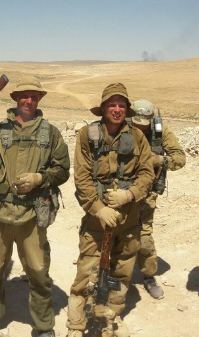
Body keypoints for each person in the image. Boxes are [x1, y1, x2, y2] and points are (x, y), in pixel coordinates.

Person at [0, 76, 70, 337]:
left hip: (31, 214)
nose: (29, 100)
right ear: (16, 98)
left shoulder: (50, 133)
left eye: (34, 96)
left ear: (39, 99)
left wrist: (39, 178)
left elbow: (62, 170)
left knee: (38, 273)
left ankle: (43, 325)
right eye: (24, 96)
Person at [66, 83, 154, 337]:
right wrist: (98, 209)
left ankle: (110, 318)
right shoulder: (87, 134)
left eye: (121, 105)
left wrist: (130, 194)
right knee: (87, 271)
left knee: (122, 270)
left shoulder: (137, 137)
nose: (117, 109)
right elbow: (82, 177)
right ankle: (76, 324)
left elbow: (147, 174)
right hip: (97, 219)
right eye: (112, 105)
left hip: (129, 217)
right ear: (103, 108)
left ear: (127, 109)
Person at [130, 99, 186, 299]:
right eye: (136, 123)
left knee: (144, 238)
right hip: (122, 191)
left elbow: (180, 158)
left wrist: (160, 159)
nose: (140, 127)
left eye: (144, 124)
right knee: (117, 234)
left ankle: (148, 276)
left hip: (147, 194)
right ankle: (114, 275)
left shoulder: (160, 132)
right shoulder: (121, 127)